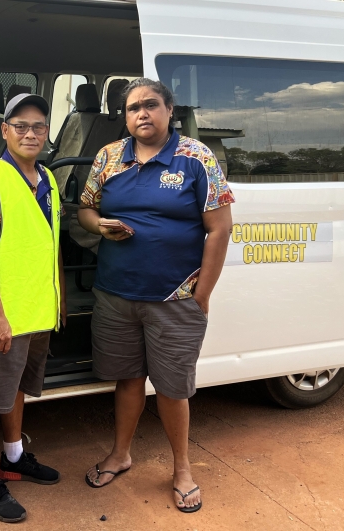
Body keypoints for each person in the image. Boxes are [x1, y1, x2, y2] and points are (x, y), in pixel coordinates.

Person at [78, 78, 234, 513]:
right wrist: (100, 226)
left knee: (171, 389)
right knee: (127, 380)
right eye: (132, 109)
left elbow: (220, 228)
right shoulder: (109, 156)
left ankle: (182, 468)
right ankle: (121, 454)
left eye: (150, 105)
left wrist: (201, 294)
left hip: (174, 298)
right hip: (115, 294)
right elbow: (87, 209)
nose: (141, 114)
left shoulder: (195, 157)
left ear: (169, 110)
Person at [0, 93, 67, 523]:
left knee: (17, 390)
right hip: (4, 316)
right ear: (4, 131)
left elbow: (50, 242)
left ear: (47, 134)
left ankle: (13, 455)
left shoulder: (47, 177)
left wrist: (60, 296)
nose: (30, 133)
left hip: (38, 311)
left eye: (39, 127)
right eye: (20, 126)